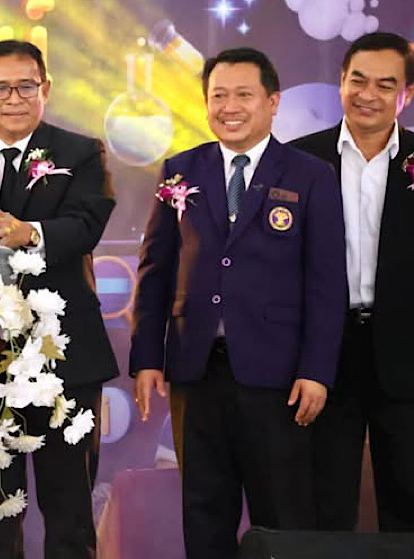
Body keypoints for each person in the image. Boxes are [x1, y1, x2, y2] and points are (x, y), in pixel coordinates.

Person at [130, 47, 346, 558]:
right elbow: (156, 271)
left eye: (243, 95)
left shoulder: (310, 174)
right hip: (196, 371)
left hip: (278, 378)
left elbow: (326, 283)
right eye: (218, 96)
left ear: (273, 102)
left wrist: (316, 371)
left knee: (282, 516)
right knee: (204, 513)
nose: (230, 107)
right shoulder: (181, 170)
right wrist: (147, 358)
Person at [0, 40, 118, 559]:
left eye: (26, 86)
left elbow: (87, 224)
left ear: (46, 89)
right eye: (0, 88)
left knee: (69, 512)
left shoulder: (81, 153)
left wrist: (30, 232)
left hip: (65, 359)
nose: (13, 98)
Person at [290, 32, 414, 531]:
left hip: (405, 353)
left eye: (386, 85)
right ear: (340, 81)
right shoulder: (298, 160)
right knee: (325, 503)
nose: (368, 95)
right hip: (325, 353)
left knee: (408, 499)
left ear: (406, 94)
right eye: (358, 80)